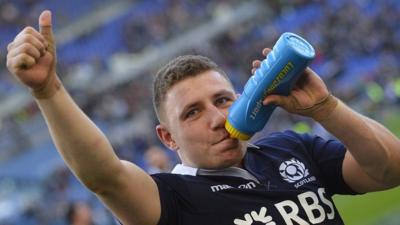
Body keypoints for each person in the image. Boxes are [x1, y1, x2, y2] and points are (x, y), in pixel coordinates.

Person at [6, 10, 400, 225]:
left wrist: (325, 108)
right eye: (192, 112)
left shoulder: (292, 149)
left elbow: (390, 169)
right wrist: (48, 91)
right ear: (168, 138)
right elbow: (103, 176)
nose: (216, 117)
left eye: (223, 100)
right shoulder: (170, 200)